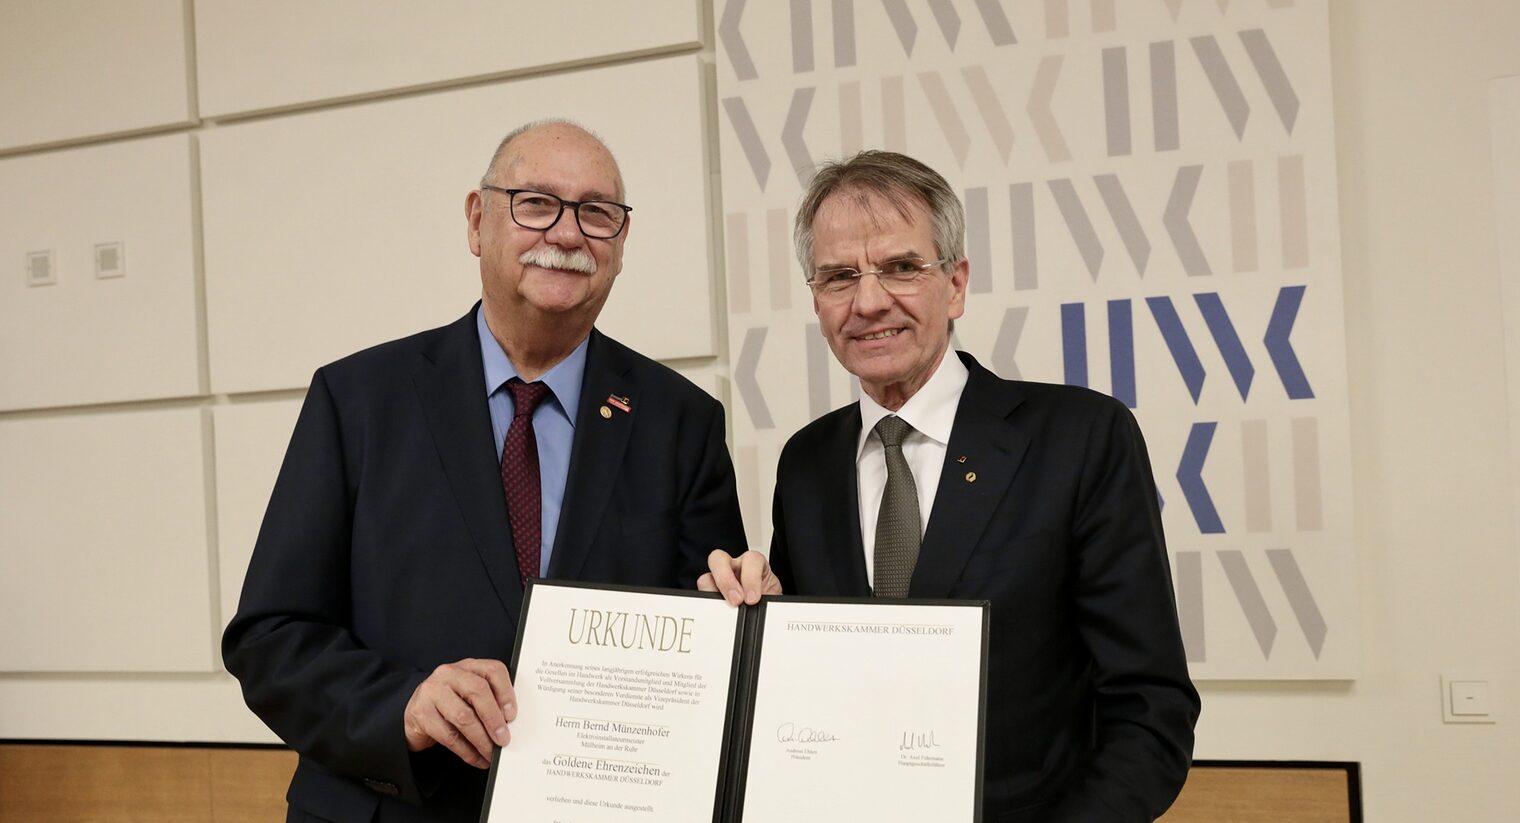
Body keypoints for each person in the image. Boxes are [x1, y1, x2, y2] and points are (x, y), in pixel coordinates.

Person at [223, 120, 750, 823]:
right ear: (478, 220)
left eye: (596, 212)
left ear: (621, 244)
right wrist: (399, 705)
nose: (566, 234)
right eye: (535, 202)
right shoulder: (358, 400)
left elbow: (709, 649)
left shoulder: (680, 422)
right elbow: (270, 636)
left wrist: (751, 613)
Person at [745, 150, 1200, 821]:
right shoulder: (807, 464)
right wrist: (758, 630)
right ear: (816, 300)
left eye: (901, 267)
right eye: (840, 277)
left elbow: (1150, 708)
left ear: (955, 284)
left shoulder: (1079, 437)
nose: (868, 302)